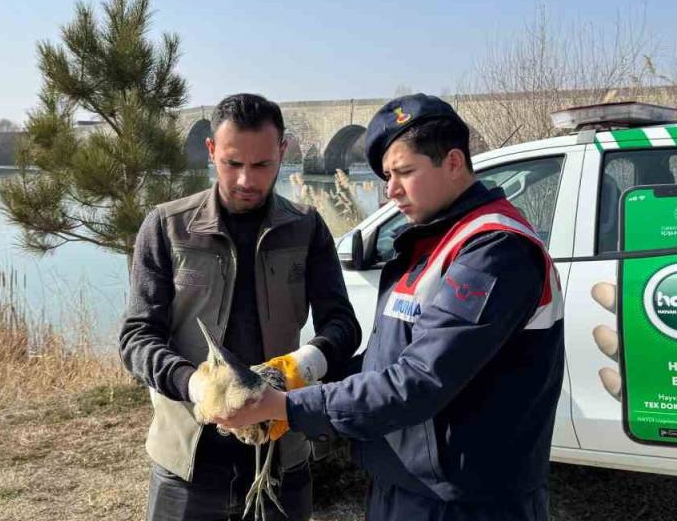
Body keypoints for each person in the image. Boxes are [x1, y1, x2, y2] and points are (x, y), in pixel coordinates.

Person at [213, 93, 564, 520]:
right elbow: (387, 362)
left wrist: (287, 408)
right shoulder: (430, 241)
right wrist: (298, 378)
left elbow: (419, 381)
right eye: (386, 176)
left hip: (467, 500)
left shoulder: (494, 251)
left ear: (453, 163)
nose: (391, 190)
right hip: (407, 483)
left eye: (404, 173)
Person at [119, 93, 362, 521]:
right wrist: (195, 386)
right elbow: (136, 338)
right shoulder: (166, 225)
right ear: (212, 150)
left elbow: (343, 324)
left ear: (282, 152)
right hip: (186, 465)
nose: (247, 180)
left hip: (281, 455)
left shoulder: (307, 228)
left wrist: (301, 366)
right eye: (233, 164)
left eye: (263, 165)